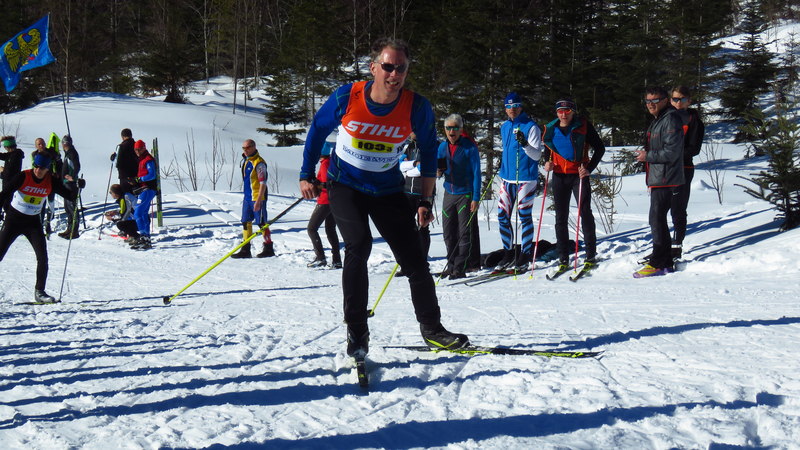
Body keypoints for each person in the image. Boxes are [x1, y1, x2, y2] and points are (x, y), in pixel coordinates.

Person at [299, 37, 469, 357]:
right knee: (359, 245)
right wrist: (306, 174)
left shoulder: (416, 106)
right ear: (374, 67)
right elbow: (318, 130)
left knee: (414, 258)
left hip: (387, 189)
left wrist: (425, 201)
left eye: (401, 68)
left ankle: (432, 329)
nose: (394, 74)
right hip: (345, 185)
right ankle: (357, 331)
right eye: (388, 67)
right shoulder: (348, 96)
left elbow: (429, 153)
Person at [0, 153, 78, 302]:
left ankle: (40, 292)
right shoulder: (23, 176)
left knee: (42, 257)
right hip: (13, 220)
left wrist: (76, 185)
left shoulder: (51, 181)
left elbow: (70, 196)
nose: (38, 170)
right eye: (36, 166)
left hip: (33, 223)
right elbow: (4, 193)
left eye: (42, 168)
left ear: (47, 169)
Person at [542, 98, 605, 271]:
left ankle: (590, 254)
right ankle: (563, 256)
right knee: (560, 217)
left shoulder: (583, 125)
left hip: (578, 175)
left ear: (573, 112)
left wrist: (589, 168)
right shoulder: (551, 128)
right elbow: (549, 149)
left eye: (567, 111)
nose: (564, 115)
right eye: (560, 111)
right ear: (556, 112)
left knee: (584, 212)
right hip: (559, 176)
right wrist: (547, 163)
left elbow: (600, 148)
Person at [633, 87, 685, 278]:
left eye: (654, 101)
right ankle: (664, 261)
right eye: (647, 101)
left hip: (667, 178)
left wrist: (647, 156)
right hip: (659, 177)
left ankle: (659, 263)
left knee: (656, 219)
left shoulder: (670, 119)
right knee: (657, 219)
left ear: (665, 101)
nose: (650, 105)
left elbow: (672, 152)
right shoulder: (659, 120)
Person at [495, 92, 543, 272]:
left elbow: (536, 155)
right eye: (508, 106)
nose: (512, 109)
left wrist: (525, 144)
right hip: (507, 178)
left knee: (523, 215)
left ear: (521, 107)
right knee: (502, 215)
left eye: (515, 106)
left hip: (525, 179)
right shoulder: (505, 127)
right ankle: (508, 253)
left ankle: (525, 254)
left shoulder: (531, 127)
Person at [437, 114, 482, 279]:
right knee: (448, 233)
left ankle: (460, 267)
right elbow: (440, 167)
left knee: (464, 233)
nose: (451, 131)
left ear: (460, 129)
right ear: (445, 130)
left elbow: (477, 174)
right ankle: (451, 265)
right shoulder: (442, 147)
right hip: (449, 193)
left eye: (455, 128)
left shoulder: (469, 147)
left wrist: (476, 197)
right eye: (448, 128)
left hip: (465, 194)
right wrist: (438, 172)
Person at [669, 85, 705, 259]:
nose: (678, 103)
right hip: (663, 170)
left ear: (689, 101)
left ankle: (676, 246)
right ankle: (661, 246)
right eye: (675, 99)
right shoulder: (665, 117)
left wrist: (671, 155)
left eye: (682, 99)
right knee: (659, 210)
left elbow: (694, 149)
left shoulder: (694, 120)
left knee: (678, 208)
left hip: (683, 168)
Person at [231, 139, 274, 258]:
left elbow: (263, 182)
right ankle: (245, 248)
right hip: (247, 196)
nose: (245, 150)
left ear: (254, 147)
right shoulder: (246, 161)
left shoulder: (259, 163)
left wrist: (259, 200)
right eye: (243, 148)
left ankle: (268, 247)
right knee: (245, 222)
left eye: (248, 147)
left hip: (257, 196)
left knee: (262, 223)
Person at [397, 132, 433, 275]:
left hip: (424, 192)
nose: (411, 132)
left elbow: (423, 169)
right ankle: (406, 263)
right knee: (405, 227)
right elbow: (399, 165)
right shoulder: (410, 147)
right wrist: (412, 164)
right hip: (407, 190)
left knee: (422, 226)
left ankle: (422, 262)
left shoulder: (429, 145)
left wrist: (409, 169)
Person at [306, 142, 342, 268]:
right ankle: (336, 260)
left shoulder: (325, 163)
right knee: (330, 229)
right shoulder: (331, 162)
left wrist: (316, 184)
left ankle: (320, 258)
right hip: (333, 201)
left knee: (311, 228)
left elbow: (328, 184)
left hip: (325, 201)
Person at [129, 140, 157, 250]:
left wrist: (140, 179)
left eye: (139, 149)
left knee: (137, 213)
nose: (137, 151)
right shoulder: (141, 159)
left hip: (148, 189)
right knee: (144, 213)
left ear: (143, 148)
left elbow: (152, 174)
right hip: (144, 189)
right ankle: (146, 238)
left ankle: (143, 237)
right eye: (135, 149)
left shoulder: (148, 159)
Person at [57, 135, 82, 239]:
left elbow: (77, 166)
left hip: (70, 184)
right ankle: (69, 229)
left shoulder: (72, 153)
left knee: (72, 208)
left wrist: (72, 176)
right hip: (66, 183)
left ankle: (74, 231)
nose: (63, 145)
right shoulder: (68, 153)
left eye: (64, 143)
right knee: (67, 208)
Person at [112, 128, 138, 197]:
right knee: (137, 197)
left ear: (122, 137)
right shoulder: (137, 146)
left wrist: (113, 158)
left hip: (124, 176)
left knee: (127, 197)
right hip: (137, 176)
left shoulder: (121, 146)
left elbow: (117, 163)